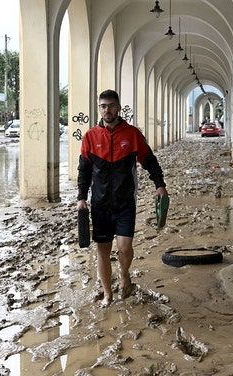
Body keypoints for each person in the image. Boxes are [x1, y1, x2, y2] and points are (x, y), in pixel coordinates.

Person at [77, 89, 168, 307]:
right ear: (99, 109)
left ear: (118, 107)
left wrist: (160, 185)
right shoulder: (90, 136)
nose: (106, 110)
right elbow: (84, 170)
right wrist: (81, 198)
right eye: (102, 106)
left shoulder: (132, 134)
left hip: (125, 202)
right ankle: (108, 294)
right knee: (103, 251)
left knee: (124, 248)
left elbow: (150, 161)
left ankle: (125, 273)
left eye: (110, 105)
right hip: (99, 204)